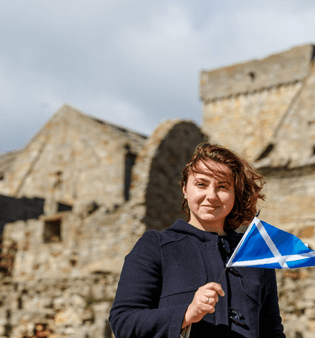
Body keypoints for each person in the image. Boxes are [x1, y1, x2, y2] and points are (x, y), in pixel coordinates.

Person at [109, 143, 285, 338]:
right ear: (185, 189)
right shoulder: (155, 246)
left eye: (223, 186)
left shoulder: (254, 253)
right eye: (201, 184)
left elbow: (273, 332)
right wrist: (186, 314)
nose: (211, 196)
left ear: (235, 194)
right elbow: (123, 323)